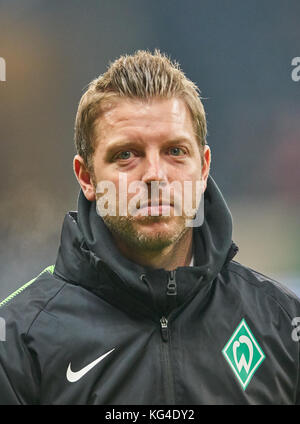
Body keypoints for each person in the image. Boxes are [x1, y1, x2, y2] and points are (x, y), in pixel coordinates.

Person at [0, 50, 300, 405]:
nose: (155, 175)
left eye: (175, 151)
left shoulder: (282, 323)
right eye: (126, 154)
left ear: (203, 169)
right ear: (86, 177)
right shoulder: (18, 341)